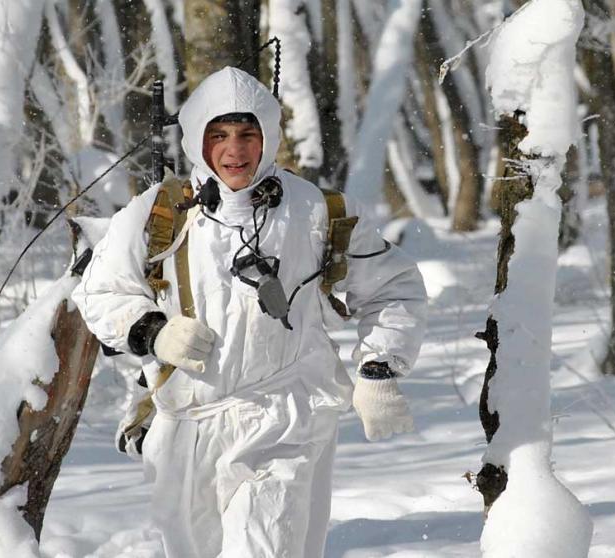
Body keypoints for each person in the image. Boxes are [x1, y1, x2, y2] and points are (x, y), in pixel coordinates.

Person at [72, 66, 426, 558]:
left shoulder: (317, 211)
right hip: (186, 425)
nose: (234, 150)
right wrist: (153, 331)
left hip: (284, 417)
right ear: (197, 138)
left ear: (269, 135)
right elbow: (100, 291)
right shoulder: (159, 212)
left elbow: (394, 289)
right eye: (218, 135)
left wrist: (379, 369)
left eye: (247, 133)